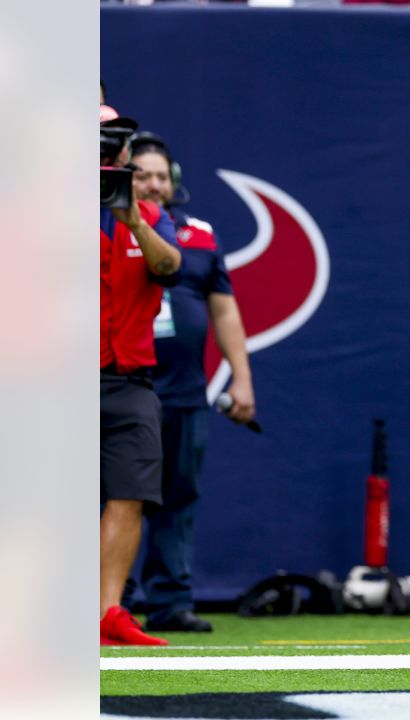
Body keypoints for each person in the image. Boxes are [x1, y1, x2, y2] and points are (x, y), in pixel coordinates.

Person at [124, 132, 257, 633]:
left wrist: (241, 378)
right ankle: (108, 598)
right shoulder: (102, 229)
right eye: (143, 175)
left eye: (162, 176)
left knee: (178, 496)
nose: (154, 185)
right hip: (122, 383)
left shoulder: (197, 234)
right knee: (117, 494)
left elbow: (224, 310)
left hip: (183, 389)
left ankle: (169, 600)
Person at [100, 105, 182, 646]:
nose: (108, 155)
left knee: (130, 494)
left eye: (114, 145)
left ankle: (107, 612)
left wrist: (132, 219)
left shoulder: (147, 214)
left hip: (130, 377)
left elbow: (170, 266)